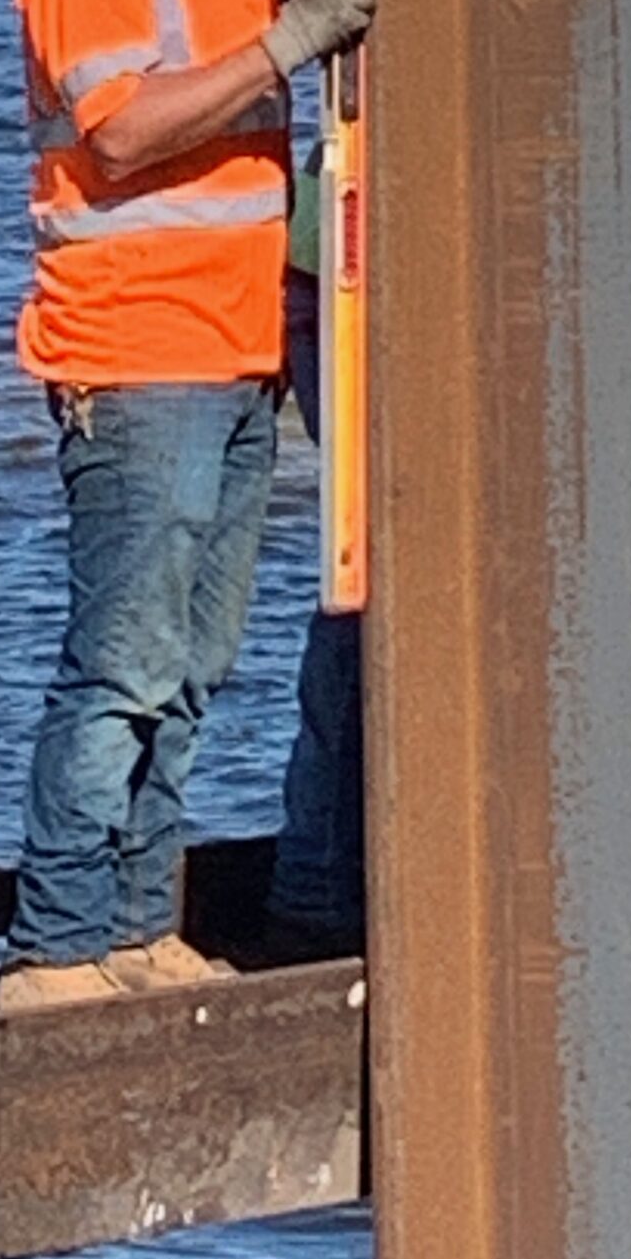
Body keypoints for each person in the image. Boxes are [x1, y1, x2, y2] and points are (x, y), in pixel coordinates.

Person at [0, 0, 375, 1009]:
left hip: (231, 354)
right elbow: (124, 131)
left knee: (194, 667)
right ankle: (56, 941)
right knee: (122, 663)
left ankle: (139, 922)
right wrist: (288, 45)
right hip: (135, 355)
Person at [265, 158, 365, 958]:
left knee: (366, 573)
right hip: (346, 274)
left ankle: (321, 876)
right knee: (369, 578)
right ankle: (319, 883)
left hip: (329, 264)